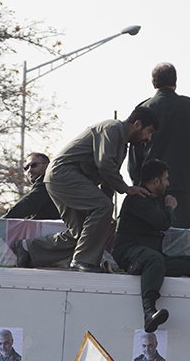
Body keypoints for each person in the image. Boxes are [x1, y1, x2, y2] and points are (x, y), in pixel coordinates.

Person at [11, 107, 158, 272]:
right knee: (101, 211)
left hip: (62, 178)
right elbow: (105, 166)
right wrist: (125, 189)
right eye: (149, 131)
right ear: (137, 124)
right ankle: (83, 261)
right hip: (64, 175)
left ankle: (28, 249)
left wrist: (105, 217)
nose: (149, 138)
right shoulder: (113, 128)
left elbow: (108, 180)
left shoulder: (122, 145)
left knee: (84, 235)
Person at [113, 159, 190, 332]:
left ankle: (145, 269)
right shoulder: (138, 199)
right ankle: (149, 312)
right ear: (156, 181)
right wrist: (170, 207)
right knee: (154, 259)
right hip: (129, 251)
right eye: (166, 179)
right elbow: (162, 223)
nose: (168, 183)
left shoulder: (153, 199)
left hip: (149, 254)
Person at [129, 62, 190, 229]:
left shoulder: (143, 108)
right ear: (175, 81)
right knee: (180, 235)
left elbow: (135, 151)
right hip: (181, 181)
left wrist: (138, 181)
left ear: (153, 82)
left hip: (149, 184)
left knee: (151, 232)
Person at [2, 152, 60, 220]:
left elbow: (27, 204)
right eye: (26, 168)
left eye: (34, 165)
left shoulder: (48, 183)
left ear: (47, 166)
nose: (29, 170)